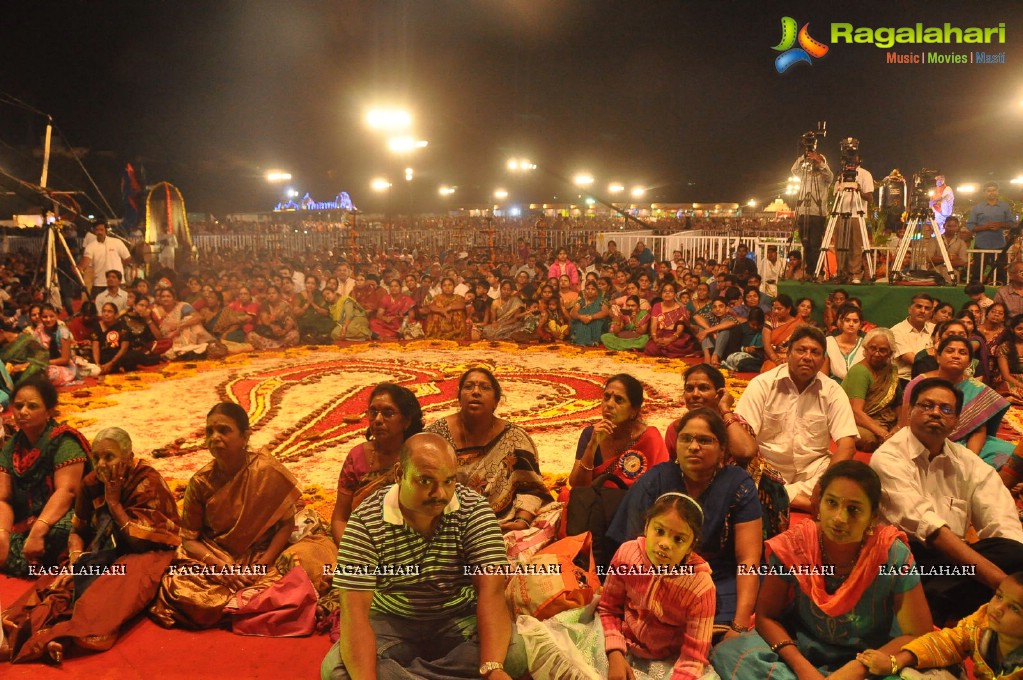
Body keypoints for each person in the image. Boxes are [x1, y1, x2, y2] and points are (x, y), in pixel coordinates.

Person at [320, 432, 524, 680]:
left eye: (448, 481)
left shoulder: (473, 511)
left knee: (512, 654)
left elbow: (491, 592)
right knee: (335, 670)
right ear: (399, 474)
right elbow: (354, 609)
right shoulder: (365, 521)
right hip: (392, 621)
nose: (440, 494)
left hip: (457, 617)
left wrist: (492, 668)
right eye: (426, 481)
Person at [711, 461, 934, 680]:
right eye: (832, 503)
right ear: (818, 504)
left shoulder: (891, 554)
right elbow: (766, 617)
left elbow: (917, 632)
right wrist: (803, 669)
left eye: (853, 509)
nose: (839, 518)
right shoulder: (795, 546)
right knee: (729, 653)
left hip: (871, 660)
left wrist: (857, 668)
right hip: (804, 652)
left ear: (873, 516)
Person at [1, 427, 180, 663]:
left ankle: (64, 634)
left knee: (112, 585)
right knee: (60, 582)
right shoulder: (92, 482)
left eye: (109, 457)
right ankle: (23, 630)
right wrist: (76, 557)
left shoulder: (147, 481)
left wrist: (114, 503)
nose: (101, 464)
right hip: (101, 549)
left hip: (145, 552)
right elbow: (79, 530)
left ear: (128, 457)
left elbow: (144, 540)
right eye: (96, 458)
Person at [150, 402, 336, 629]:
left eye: (224, 430)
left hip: (262, 555)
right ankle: (249, 606)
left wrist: (263, 564)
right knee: (181, 591)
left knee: (295, 579)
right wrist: (219, 566)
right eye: (210, 431)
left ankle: (242, 604)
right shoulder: (200, 482)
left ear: (245, 436)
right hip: (216, 555)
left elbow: (285, 526)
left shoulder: (266, 470)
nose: (214, 437)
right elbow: (189, 539)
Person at [873, 377, 1023, 624]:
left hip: (956, 565)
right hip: (907, 562)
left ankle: (945, 605)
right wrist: (1001, 583)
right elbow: (930, 530)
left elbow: (1002, 520)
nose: (935, 413)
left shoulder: (967, 462)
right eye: (926, 406)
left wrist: (1013, 565)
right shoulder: (888, 457)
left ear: (955, 421)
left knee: (1013, 550)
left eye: (945, 409)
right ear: (910, 411)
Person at [608, 409, 762, 632]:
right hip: (659, 577)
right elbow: (634, 549)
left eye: (704, 440)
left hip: (719, 579)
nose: (693, 446)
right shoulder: (657, 479)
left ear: (722, 450)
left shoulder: (738, 484)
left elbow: (748, 560)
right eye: (686, 438)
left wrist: (739, 624)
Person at [425, 368, 554, 548]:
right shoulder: (436, 436)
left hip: (500, 522)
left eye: (484, 388)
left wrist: (522, 522)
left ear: (496, 401)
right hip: (445, 521)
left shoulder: (514, 438)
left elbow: (531, 488)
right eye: (469, 387)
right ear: (459, 397)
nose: (476, 392)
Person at [735, 325, 858, 512]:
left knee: (853, 475)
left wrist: (823, 484)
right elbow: (742, 437)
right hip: (768, 470)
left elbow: (847, 444)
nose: (808, 357)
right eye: (801, 350)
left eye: (815, 352)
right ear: (788, 353)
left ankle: (780, 497)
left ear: (823, 360)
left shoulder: (832, 391)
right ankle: (806, 503)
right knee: (737, 474)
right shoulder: (762, 385)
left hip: (814, 472)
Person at [600, 493, 717, 680]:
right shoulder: (627, 555)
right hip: (621, 642)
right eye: (659, 531)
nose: (665, 544)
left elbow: (693, 658)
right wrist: (615, 654)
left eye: (679, 539)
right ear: (647, 526)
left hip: (670, 660)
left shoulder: (701, 588)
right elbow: (608, 609)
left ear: (690, 546)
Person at [0, 376, 88, 576]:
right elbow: (3, 498)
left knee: (60, 533)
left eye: (32, 406)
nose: (23, 412)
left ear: (48, 411)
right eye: (18, 405)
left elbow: (68, 492)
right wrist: (2, 534)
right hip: (26, 517)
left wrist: (38, 531)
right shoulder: (13, 446)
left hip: (64, 513)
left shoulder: (64, 441)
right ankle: (25, 555)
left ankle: (31, 559)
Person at [864, 571, 1023, 680]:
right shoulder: (980, 624)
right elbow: (946, 642)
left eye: (1015, 608)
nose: (998, 608)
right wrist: (894, 662)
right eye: (999, 596)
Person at [331, 383, 424, 543]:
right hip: (360, 543)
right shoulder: (357, 456)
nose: (378, 420)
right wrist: (352, 553)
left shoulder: (419, 457)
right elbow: (340, 519)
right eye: (373, 412)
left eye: (388, 413)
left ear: (406, 421)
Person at [900, 336, 1013, 467]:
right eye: (950, 351)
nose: (956, 356)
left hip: (968, 444)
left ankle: (997, 473)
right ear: (938, 357)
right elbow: (906, 423)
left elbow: (978, 431)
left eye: (962, 353)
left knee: (1009, 455)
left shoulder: (977, 388)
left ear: (969, 361)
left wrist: (970, 459)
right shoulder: (919, 383)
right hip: (928, 440)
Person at [569, 373, 668, 491]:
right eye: (606, 397)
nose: (609, 404)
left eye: (619, 400)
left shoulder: (649, 438)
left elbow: (663, 483)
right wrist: (592, 446)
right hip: (598, 503)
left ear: (634, 410)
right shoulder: (591, 434)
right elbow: (578, 486)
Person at [842, 327, 902, 452]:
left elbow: (899, 404)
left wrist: (899, 426)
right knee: (870, 440)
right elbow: (856, 412)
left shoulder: (891, 371)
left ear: (890, 353)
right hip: (858, 422)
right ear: (865, 349)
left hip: (887, 421)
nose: (876, 353)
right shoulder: (860, 371)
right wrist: (883, 433)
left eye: (882, 350)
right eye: (872, 348)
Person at [831, 146, 875, 284]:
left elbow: (869, 197)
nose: (851, 160)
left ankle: (855, 274)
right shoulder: (841, 174)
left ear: (859, 159)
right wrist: (840, 187)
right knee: (839, 245)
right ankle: (841, 273)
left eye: (853, 156)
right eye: (848, 157)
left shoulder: (865, 174)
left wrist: (859, 189)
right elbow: (835, 194)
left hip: (857, 215)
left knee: (855, 246)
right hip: (840, 212)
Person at [791, 150, 833, 279]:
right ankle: (809, 271)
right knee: (806, 244)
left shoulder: (825, 177)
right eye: (812, 160)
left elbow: (828, 173)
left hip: (817, 214)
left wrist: (819, 161)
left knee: (815, 245)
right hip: (803, 213)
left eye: (816, 160)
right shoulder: (805, 175)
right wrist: (803, 157)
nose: (813, 162)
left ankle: (818, 272)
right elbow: (794, 170)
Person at [967, 182, 1016, 283]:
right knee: (977, 272)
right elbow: (970, 226)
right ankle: (975, 292)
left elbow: (1012, 223)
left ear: (998, 192)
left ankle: (1001, 294)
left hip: (999, 245)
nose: (991, 193)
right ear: (984, 193)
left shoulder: (1005, 206)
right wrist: (985, 227)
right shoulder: (977, 207)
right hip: (981, 245)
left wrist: (1000, 224)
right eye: (988, 191)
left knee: (1001, 272)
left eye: (994, 190)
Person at [151, 286, 216, 359]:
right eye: (163, 297)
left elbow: (199, 317)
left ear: (174, 298)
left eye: (168, 296)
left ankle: (188, 349)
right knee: (188, 321)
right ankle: (190, 350)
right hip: (168, 339)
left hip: (183, 334)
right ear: (159, 299)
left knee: (189, 319)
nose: (165, 299)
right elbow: (159, 333)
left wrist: (180, 326)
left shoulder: (182, 306)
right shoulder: (156, 311)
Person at [643, 281, 697, 358]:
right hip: (659, 334)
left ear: (675, 294)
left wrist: (670, 339)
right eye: (665, 291)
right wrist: (655, 338)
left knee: (678, 345)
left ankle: (667, 351)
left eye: (670, 291)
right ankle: (666, 351)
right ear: (661, 294)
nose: (667, 293)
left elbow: (679, 329)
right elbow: (654, 325)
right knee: (650, 348)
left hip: (674, 335)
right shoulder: (657, 306)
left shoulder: (680, 309)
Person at [891, 293, 935, 384]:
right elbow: (913, 360)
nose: (923, 311)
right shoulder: (896, 331)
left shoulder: (935, 329)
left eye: (927, 308)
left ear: (931, 313)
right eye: (919, 306)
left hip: (932, 377)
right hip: (903, 380)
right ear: (910, 309)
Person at [79, 221, 131, 297]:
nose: (99, 232)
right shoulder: (90, 247)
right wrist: (79, 268)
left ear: (106, 230)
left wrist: (119, 268)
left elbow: (127, 258)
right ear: (94, 231)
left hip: (118, 283)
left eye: (101, 230)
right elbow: (85, 262)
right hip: (100, 284)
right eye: (97, 230)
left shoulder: (117, 242)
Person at [32, 304, 78, 386]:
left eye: (51, 316)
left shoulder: (63, 332)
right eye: (45, 317)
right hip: (42, 364)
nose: (48, 320)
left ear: (56, 316)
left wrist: (45, 363)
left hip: (62, 367)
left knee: (50, 374)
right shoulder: (39, 329)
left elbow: (65, 359)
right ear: (40, 317)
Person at [246, 284, 301, 349]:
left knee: (295, 334)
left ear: (279, 295)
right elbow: (265, 321)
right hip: (268, 333)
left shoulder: (285, 305)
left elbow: (290, 322)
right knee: (251, 336)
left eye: (274, 293)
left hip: (282, 333)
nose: (271, 295)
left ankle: (272, 346)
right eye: (269, 293)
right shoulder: (264, 304)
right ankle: (277, 346)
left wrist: (284, 331)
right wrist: (273, 326)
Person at [760, 294, 804, 373]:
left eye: (779, 309)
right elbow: (767, 346)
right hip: (773, 358)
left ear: (788, 309)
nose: (776, 311)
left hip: (793, 358)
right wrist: (776, 359)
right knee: (770, 370)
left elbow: (801, 345)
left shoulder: (799, 324)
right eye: (774, 308)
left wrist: (788, 359)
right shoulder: (770, 322)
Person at [822, 303, 864, 383]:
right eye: (847, 320)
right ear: (841, 322)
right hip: (832, 390)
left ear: (860, 325)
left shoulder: (865, 345)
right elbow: (823, 377)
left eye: (855, 321)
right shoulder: (829, 343)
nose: (851, 324)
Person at [694, 297, 738, 367]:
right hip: (712, 344)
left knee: (724, 330)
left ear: (727, 309)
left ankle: (715, 356)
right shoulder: (711, 315)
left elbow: (732, 323)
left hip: (725, 348)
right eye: (714, 307)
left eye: (721, 306)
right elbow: (696, 317)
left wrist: (708, 331)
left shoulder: (729, 317)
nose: (717, 309)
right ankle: (707, 357)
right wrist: (709, 331)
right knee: (702, 327)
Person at [90, 302, 131, 374]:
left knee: (132, 356)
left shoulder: (122, 326)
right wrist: (97, 364)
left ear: (116, 314)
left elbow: (124, 348)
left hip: (117, 358)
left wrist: (111, 363)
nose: (106, 314)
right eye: (104, 311)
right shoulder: (97, 326)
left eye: (110, 311)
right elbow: (95, 346)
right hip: (103, 357)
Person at [294, 274, 336, 343]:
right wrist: (307, 304)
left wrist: (312, 303)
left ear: (316, 286)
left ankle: (317, 337)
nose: (310, 285)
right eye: (308, 283)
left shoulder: (321, 294)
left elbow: (326, 312)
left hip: (319, 322)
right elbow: (296, 313)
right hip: (305, 323)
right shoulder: (300, 295)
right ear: (305, 284)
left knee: (328, 321)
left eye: (313, 283)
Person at [926, 215, 968, 283]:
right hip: (935, 271)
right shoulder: (935, 240)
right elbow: (929, 258)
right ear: (944, 225)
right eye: (949, 226)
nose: (951, 228)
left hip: (954, 273)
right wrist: (951, 257)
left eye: (954, 226)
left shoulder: (961, 242)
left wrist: (941, 260)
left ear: (958, 227)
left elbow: (963, 261)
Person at [569, 280, 608, 346]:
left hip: (595, 323)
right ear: (584, 291)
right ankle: (582, 341)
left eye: (593, 289)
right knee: (581, 322)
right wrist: (581, 317)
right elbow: (573, 313)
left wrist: (591, 317)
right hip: (582, 321)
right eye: (587, 289)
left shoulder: (601, 301)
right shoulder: (580, 302)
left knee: (596, 321)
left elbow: (605, 312)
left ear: (596, 291)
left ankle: (591, 340)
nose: (590, 291)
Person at [997, 313, 1023, 406]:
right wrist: (1021, 386)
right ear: (1012, 329)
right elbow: (1006, 376)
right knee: (1009, 391)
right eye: (1019, 329)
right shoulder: (1004, 347)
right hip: (1011, 382)